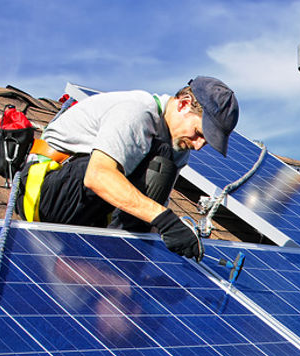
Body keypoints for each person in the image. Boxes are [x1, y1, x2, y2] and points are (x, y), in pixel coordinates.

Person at [17, 77, 239, 259]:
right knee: (158, 162)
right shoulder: (137, 112)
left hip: (88, 207)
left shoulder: (177, 148)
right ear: (183, 104)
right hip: (44, 193)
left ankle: (118, 262)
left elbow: (153, 211)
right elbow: (98, 176)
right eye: (199, 133)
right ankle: (112, 259)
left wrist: (174, 251)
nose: (199, 145)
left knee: (164, 163)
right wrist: (165, 220)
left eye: (206, 142)